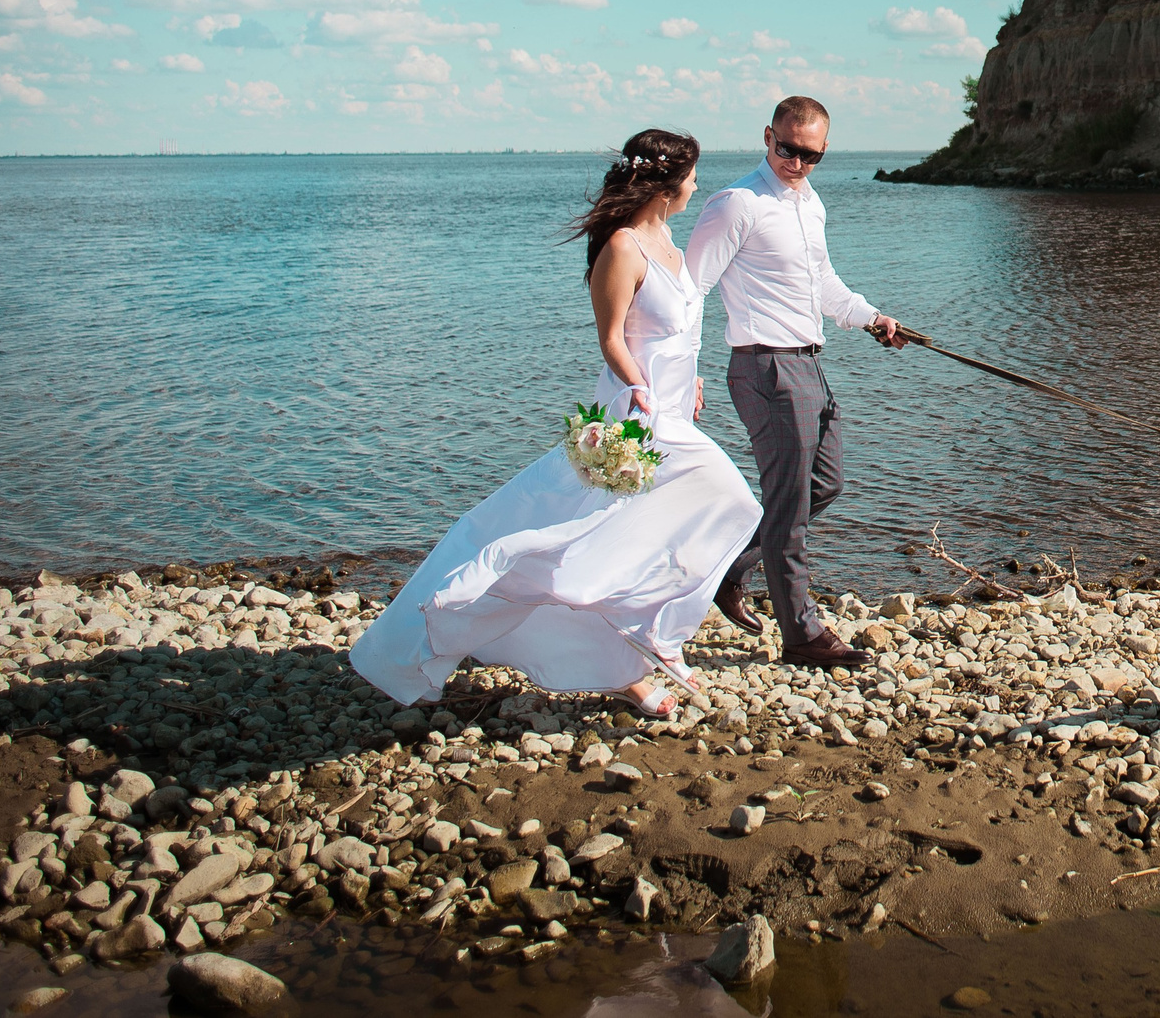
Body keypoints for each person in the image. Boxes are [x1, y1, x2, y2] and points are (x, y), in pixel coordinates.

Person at [351, 129, 762, 718]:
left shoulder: (668, 238)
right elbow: (612, 338)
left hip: (673, 401)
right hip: (637, 412)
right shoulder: (622, 247)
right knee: (717, 501)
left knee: (632, 531)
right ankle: (621, 636)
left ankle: (634, 652)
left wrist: (691, 376)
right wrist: (641, 391)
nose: (698, 185)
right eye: (693, 176)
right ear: (667, 184)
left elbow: (679, 329)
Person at [687, 94, 906, 668]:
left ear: (824, 151)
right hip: (764, 366)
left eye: (811, 155)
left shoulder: (809, 204)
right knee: (787, 503)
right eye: (788, 150)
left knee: (825, 484)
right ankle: (802, 635)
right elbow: (691, 290)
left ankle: (731, 569)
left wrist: (872, 318)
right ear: (767, 136)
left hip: (808, 361)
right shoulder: (737, 203)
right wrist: (687, 371)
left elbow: (822, 282)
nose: (798, 163)